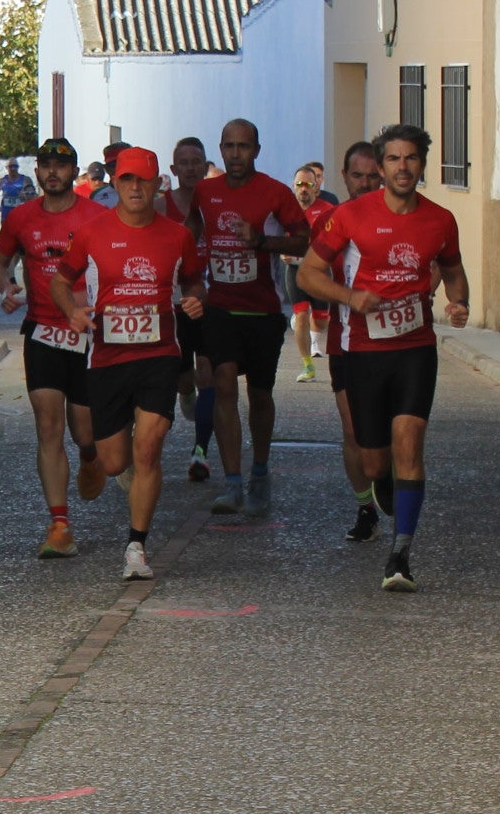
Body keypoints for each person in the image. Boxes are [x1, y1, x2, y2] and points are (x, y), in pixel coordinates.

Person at [299, 125, 469, 591]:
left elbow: (453, 270)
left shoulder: (440, 219)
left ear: (422, 164)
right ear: (381, 166)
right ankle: (385, 480)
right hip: (362, 350)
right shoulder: (351, 217)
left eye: (411, 158)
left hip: (415, 348)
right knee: (374, 461)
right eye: (393, 159)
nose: (402, 167)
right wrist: (350, 297)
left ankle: (400, 554)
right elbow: (310, 275)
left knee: (410, 443)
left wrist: (458, 303)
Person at [48, 146, 209, 582]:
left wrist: (196, 299)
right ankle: (110, 465)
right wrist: (73, 313)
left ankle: (136, 545)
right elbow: (61, 281)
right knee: (116, 461)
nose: (136, 188)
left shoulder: (177, 235)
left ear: (159, 184)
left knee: (149, 449)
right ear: (115, 183)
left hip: (159, 356)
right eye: (127, 180)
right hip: (107, 359)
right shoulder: (93, 233)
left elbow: (195, 279)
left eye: (144, 180)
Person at [0, 137, 106, 558]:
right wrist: (7, 286)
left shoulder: (96, 216)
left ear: (75, 172)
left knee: (85, 430)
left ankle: (91, 457)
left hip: (88, 333)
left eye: (62, 164)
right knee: (48, 427)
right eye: (46, 164)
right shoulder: (21, 217)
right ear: (36, 172)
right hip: (42, 332)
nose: (53, 171)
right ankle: (60, 525)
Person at [192, 119, 309, 516]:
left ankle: (259, 470)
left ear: (257, 150)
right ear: (220, 150)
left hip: (263, 310)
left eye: (243, 146)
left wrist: (263, 242)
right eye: (229, 146)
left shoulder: (275, 193)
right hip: (220, 307)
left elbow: (304, 238)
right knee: (223, 382)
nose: (236, 154)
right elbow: (189, 231)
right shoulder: (205, 192)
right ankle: (232, 482)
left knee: (260, 394)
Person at [322, 142, 384, 541]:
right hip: (343, 341)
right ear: (344, 177)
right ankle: (365, 506)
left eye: (372, 176)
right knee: (351, 431)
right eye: (357, 176)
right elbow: (310, 269)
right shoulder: (332, 222)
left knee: (390, 432)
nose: (364, 184)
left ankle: (389, 478)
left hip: (393, 343)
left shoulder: (400, 218)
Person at [162, 137, 219, 482]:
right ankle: (186, 393)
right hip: (174, 303)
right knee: (185, 379)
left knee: (209, 372)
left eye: (197, 161)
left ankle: (200, 452)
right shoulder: (160, 206)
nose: (191, 168)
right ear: (174, 170)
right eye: (183, 162)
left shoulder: (216, 202)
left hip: (210, 299)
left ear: (206, 165)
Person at [288, 161, 329, 381]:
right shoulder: (287, 210)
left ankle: (306, 323)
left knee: (322, 320)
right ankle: (307, 365)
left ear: (315, 187)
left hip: (319, 272)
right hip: (294, 270)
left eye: (308, 184)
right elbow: (274, 236)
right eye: (299, 184)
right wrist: (281, 251)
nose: (303, 189)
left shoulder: (326, 211)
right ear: (293, 186)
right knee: (302, 315)